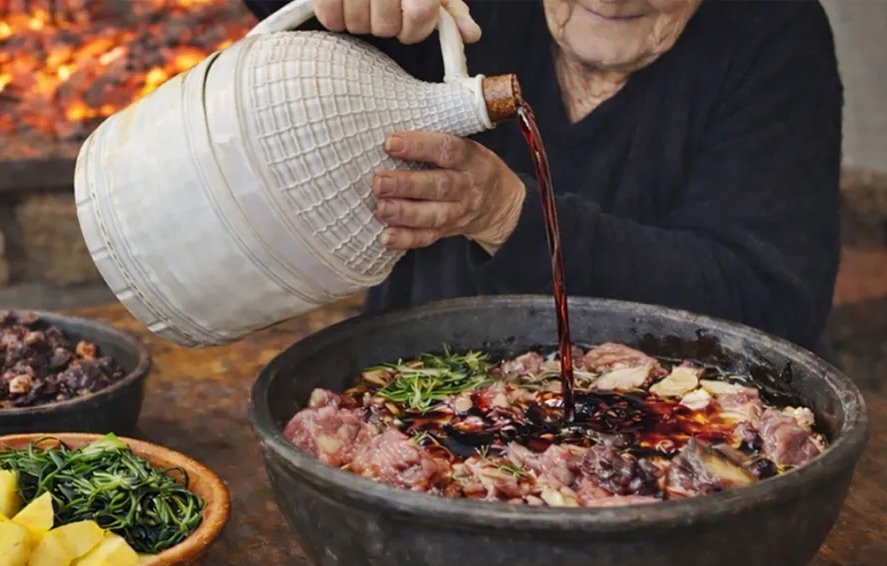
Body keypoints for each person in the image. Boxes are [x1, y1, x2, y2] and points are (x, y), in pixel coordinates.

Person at [242, 0, 843, 353]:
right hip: (410, 391)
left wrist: (511, 217)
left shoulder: (771, 31)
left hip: (662, 451)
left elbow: (769, 304)